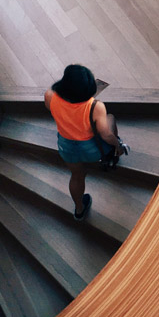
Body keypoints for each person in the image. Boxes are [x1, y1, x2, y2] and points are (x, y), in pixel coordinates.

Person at [45, 64, 129, 221]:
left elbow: (54, 110)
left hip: (66, 147)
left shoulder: (50, 95)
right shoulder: (96, 107)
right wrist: (117, 145)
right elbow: (106, 135)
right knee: (110, 119)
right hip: (91, 149)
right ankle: (115, 154)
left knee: (76, 176)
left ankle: (79, 210)